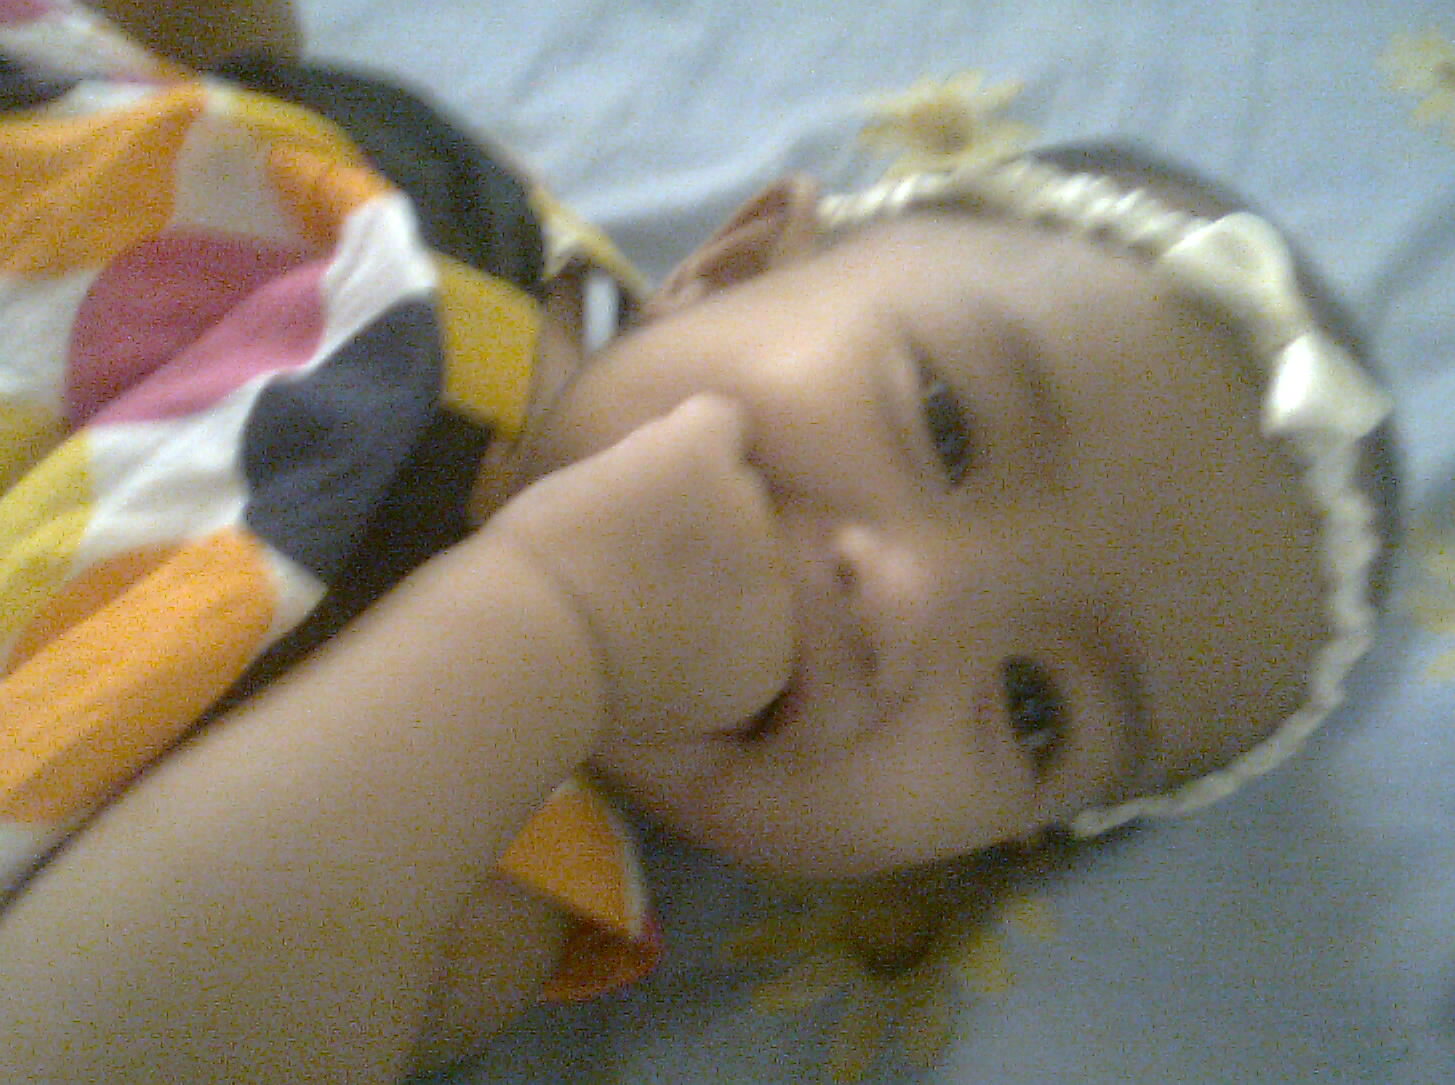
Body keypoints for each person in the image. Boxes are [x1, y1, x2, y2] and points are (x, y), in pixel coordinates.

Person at [0, 2, 1395, 1082]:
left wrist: (552, 627)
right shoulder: (481, 216)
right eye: (946, 426)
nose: (908, 604)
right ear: (732, 266)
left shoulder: (489, 861)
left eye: (1033, 706)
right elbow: (206, 84)